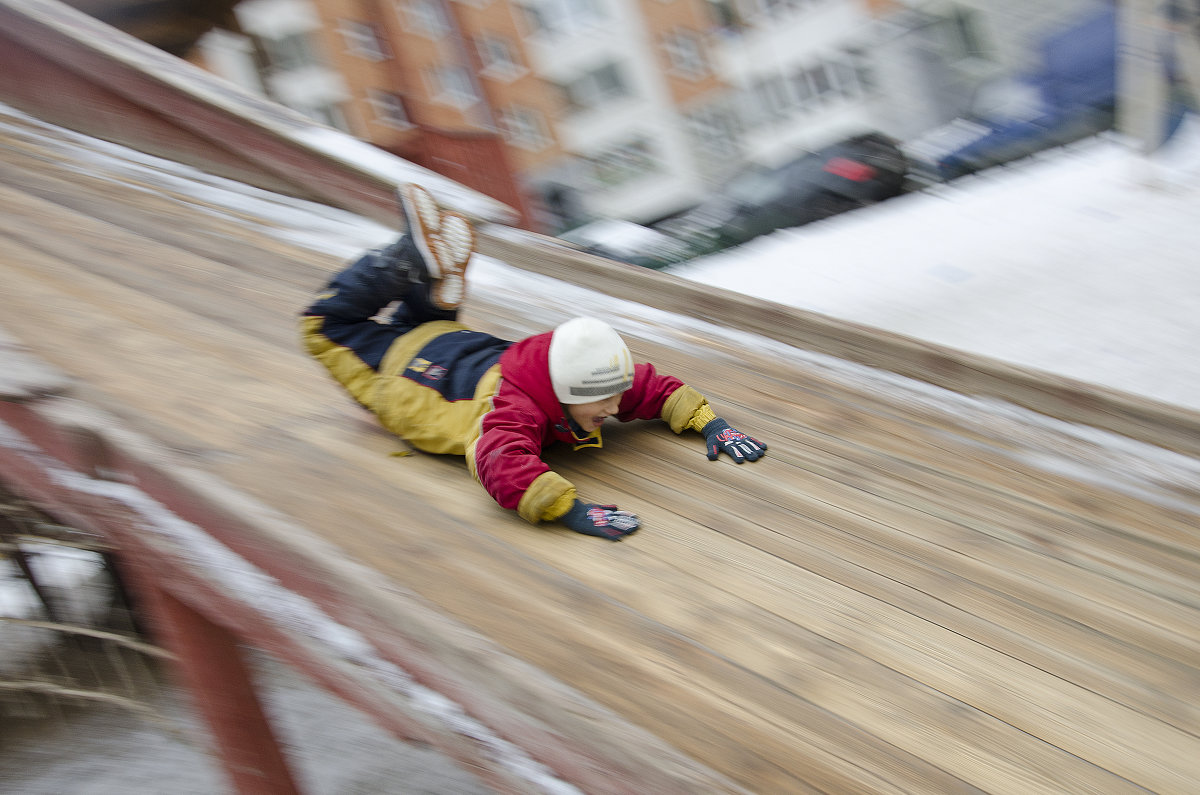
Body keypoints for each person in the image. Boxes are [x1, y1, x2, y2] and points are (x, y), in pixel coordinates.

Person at [300, 184, 766, 541]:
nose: (612, 408)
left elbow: (651, 388)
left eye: (614, 395)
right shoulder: (515, 411)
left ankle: (431, 273)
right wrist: (571, 508)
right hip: (403, 372)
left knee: (399, 321)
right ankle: (408, 261)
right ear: (565, 392)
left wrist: (711, 424)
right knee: (321, 325)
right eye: (601, 400)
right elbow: (497, 460)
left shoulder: (569, 368)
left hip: (445, 344)